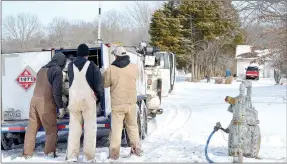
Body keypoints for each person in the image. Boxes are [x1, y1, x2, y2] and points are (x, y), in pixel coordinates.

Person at [23, 52, 67, 159]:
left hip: (34, 101)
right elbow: (56, 92)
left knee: (32, 128)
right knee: (51, 129)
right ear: (62, 62)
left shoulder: (42, 69)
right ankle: (49, 153)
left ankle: (27, 154)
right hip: (45, 103)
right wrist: (60, 107)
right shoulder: (57, 71)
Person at [66, 43, 104, 162]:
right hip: (88, 101)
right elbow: (98, 85)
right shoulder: (92, 66)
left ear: (78, 54)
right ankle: (88, 157)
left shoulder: (70, 66)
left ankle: (72, 156)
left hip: (74, 101)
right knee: (90, 129)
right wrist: (99, 98)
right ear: (87, 54)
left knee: (74, 129)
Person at [103, 46, 142, 160]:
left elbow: (105, 84)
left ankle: (114, 155)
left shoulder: (111, 69)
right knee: (133, 127)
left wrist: (103, 73)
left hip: (117, 105)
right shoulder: (134, 67)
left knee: (116, 130)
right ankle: (136, 149)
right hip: (131, 103)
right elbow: (137, 78)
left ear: (116, 56)